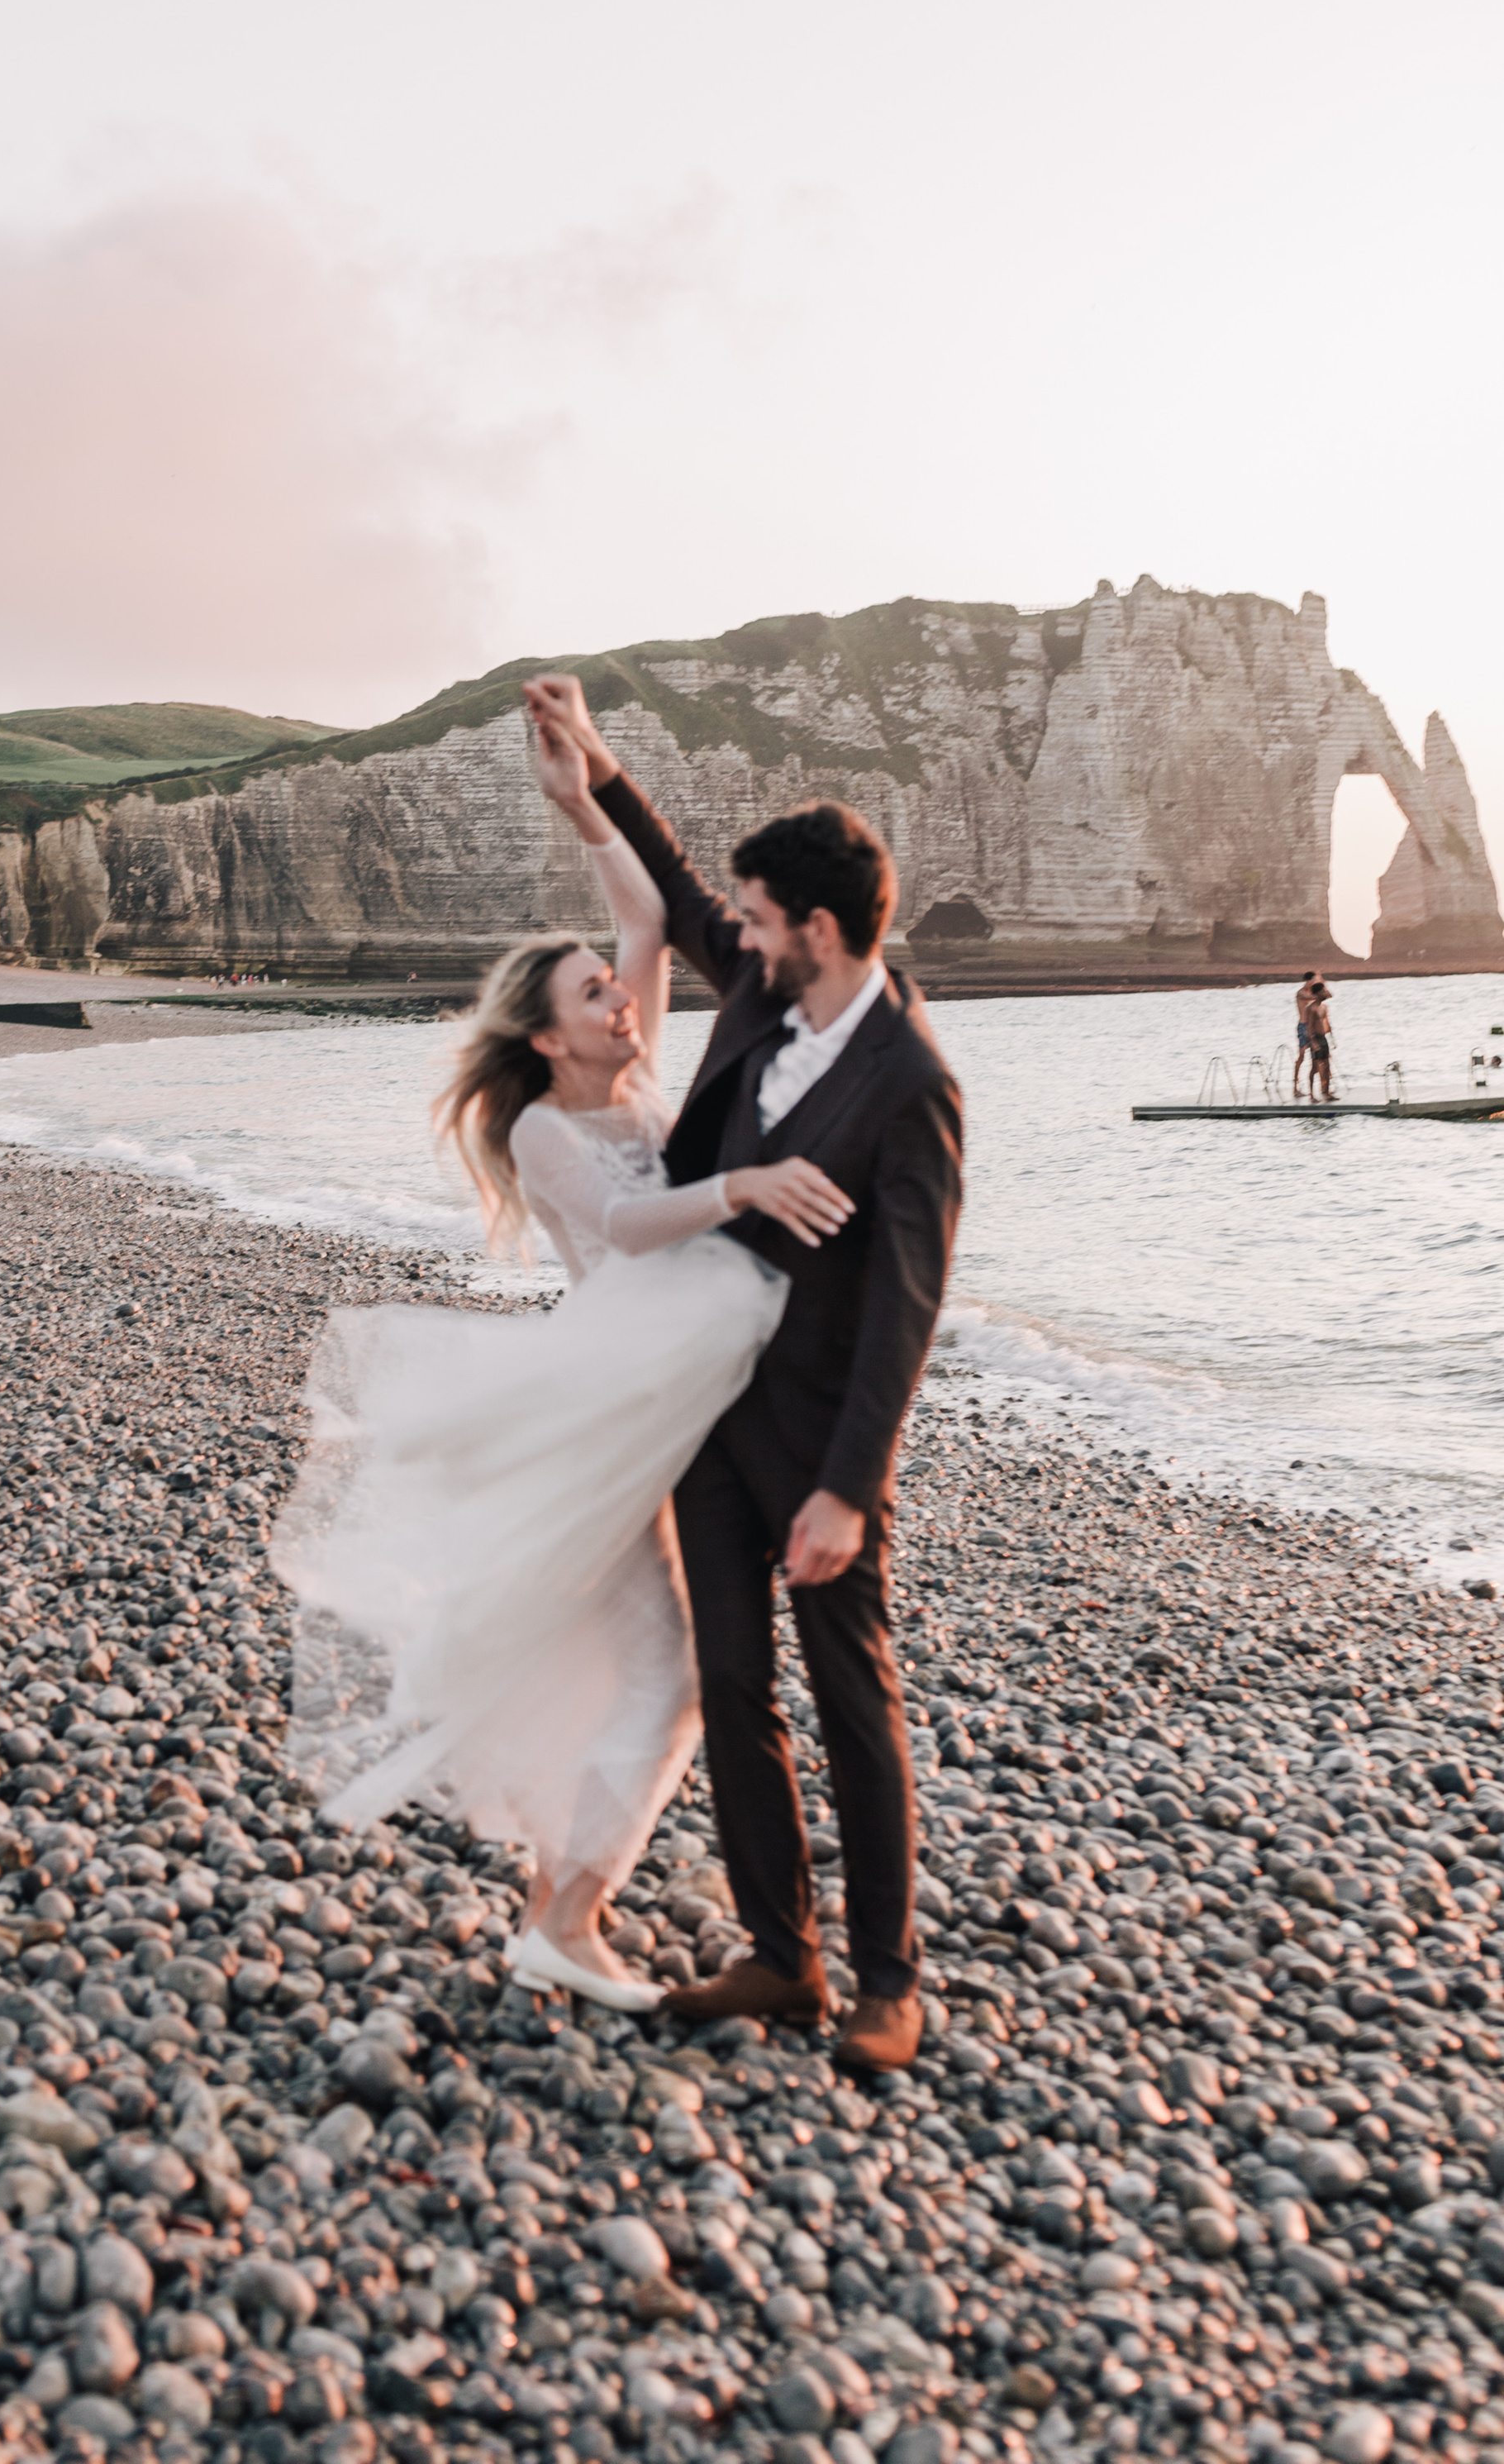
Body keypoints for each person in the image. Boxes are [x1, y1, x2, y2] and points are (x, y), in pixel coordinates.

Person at [275, 712, 853, 2013]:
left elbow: (646, 921)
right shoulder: (545, 1128)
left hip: (668, 1389)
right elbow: (630, 1225)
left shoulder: (632, 1068)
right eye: (591, 995)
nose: (619, 1000)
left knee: (646, 1663)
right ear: (548, 1035)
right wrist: (743, 1185)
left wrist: (582, 793)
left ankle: (566, 1898)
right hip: (613, 1394)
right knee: (669, 1671)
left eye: (612, 990)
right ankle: (565, 1915)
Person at [524, 673, 963, 2075]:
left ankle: (886, 1980)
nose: (744, 938)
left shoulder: (911, 1083)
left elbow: (907, 1301)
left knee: (851, 1694)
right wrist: (595, 768)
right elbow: (679, 894)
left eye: (766, 922)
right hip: (704, 1417)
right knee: (733, 1680)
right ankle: (783, 1954)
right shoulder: (770, 1000)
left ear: (819, 933)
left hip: (819, 1437)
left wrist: (850, 1486)